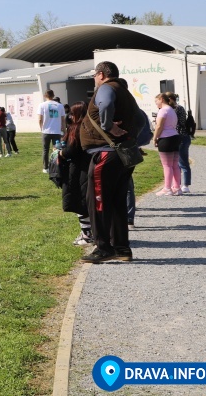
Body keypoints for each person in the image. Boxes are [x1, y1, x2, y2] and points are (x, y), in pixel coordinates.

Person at [80, 61, 144, 264]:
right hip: (122, 155)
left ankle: (103, 248)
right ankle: (121, 248)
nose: (94, 79)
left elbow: (106, 104)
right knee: (117, 203)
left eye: (94, 75)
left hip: (106, 155)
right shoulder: (125, 91)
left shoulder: (106, 88)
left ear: (101, 74)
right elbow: (141, 120)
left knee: (98, 201)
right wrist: (131, 138)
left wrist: (109, 127)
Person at [56, 102, 92, 245]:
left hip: (79, 169)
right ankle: (91, 232)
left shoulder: (77, 128)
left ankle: (87, 234)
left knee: (79, 200)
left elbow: (71, 150)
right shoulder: (90, 125)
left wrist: (60, 153)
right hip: (90, 166)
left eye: (72, 113)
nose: (70, 116)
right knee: (87, 200)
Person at [152, 93, 181, 196]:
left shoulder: (163, 110)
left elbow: (159, 126)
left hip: (166, 138)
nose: (156, 104)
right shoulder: (171, 110)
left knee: (167, 165)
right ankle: (177, 187)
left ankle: (167, 188)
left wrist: (155, 138)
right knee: (175, 164)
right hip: (175, 136)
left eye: (156, 101)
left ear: (161, 99)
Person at [169, 92, 193, 194]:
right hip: (180, 137)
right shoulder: (177, 108)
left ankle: (185, 185)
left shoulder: (176, 108)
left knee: (183, 162)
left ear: (171, 99)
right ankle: (177, 184)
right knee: (177, 163)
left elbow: (176, 123)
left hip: (180, 137)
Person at [38, 90, 65, 173]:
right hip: (57, 131)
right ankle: (57, 166)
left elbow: (40, 119)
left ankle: (45, 168)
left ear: (45, 96)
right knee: (57, 149)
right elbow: (63, 120)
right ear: (53, 95)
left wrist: (41, 128)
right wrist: (64, 130)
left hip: (46, 131)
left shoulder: (42, 105)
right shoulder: (60, 105)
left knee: (45, 150)